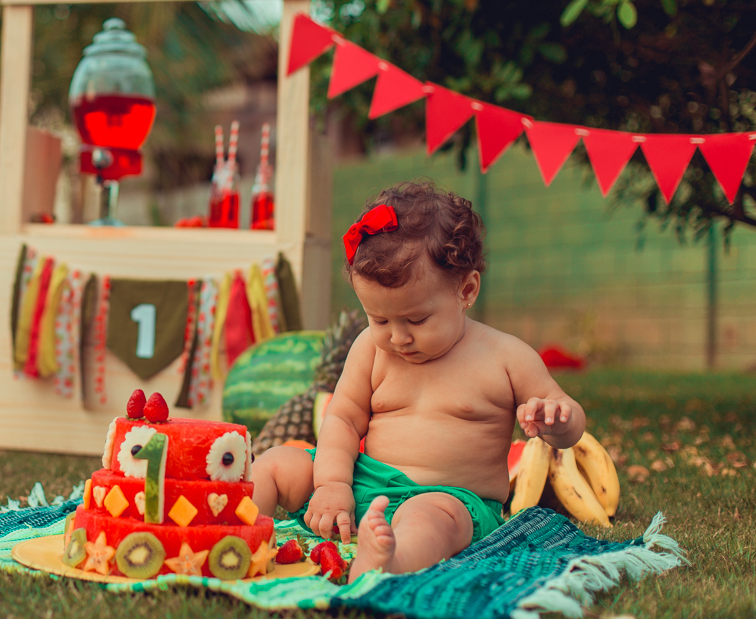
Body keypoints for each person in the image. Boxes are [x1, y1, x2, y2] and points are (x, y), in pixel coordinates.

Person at [251, 180, 585, 581]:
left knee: (428, 520)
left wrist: (557, 420)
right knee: (275, 463)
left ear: (466, 290)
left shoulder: (507, 357)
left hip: (450, 500)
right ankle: (236, 534)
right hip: (362, 479)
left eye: (416, 319)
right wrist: (332, 484)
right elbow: (343, 419)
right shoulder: (370, 350)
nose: (398, 337)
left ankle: (390, 560)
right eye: (380, 320)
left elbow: (570, 428)